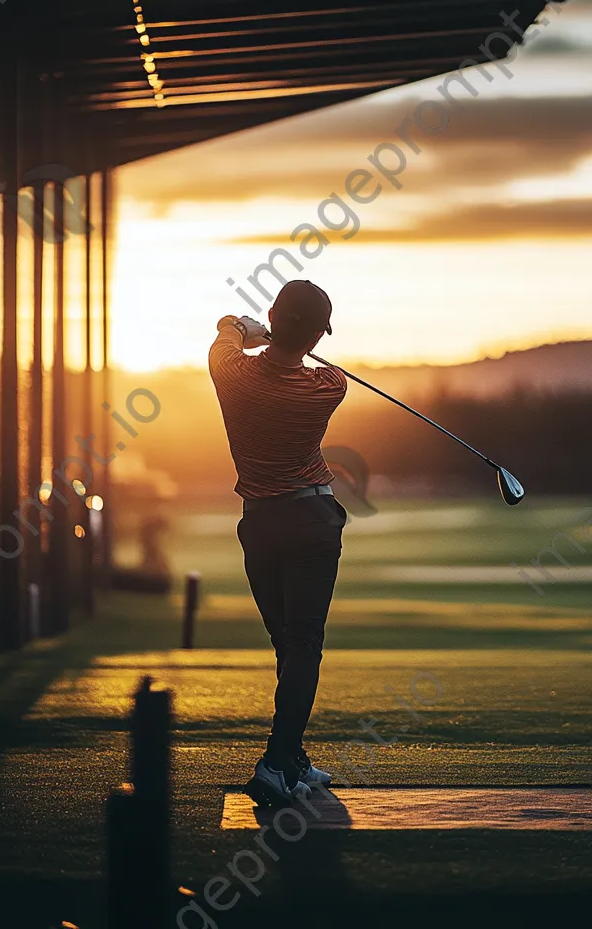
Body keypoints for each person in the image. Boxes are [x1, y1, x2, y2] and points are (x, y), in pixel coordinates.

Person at [209, 279, 348, 806]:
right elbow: (322, 365)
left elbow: (228, 330)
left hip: (260, 525)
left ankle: (293, 758)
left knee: (287, 645)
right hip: (312, 520)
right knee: (304, 643)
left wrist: (254, 330)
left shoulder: (229, 373)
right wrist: (295, 341)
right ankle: (274, 762)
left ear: (273, 313)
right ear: (315, 335)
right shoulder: (328, 386)